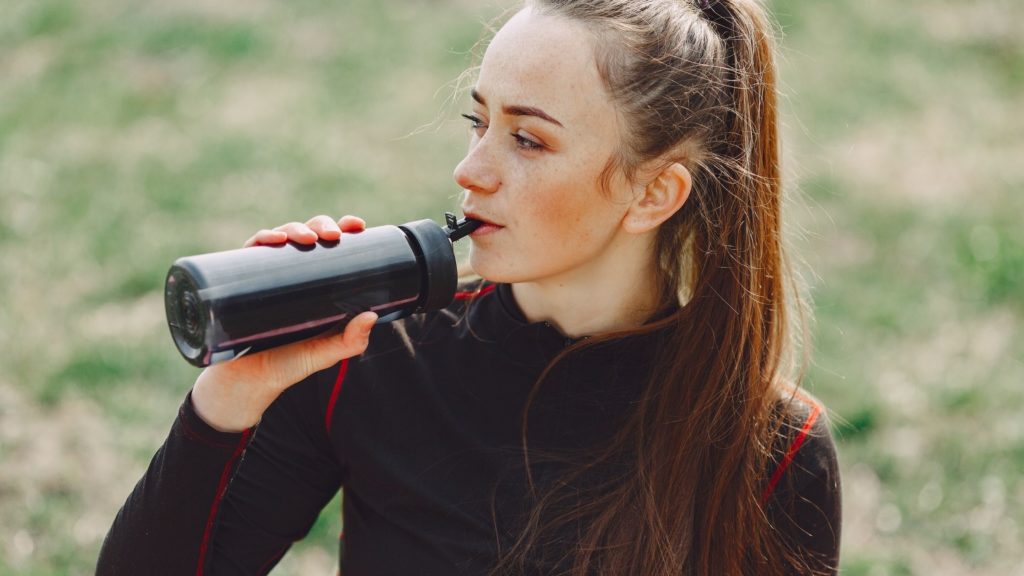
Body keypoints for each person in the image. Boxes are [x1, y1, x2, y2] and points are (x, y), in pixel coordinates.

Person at [97, 0, 841, 574]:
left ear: (653, 194)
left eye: (527, 139)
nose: (471, 170)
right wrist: (225, 406)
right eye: (476, 121)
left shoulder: (773, 447)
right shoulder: (370, 352)